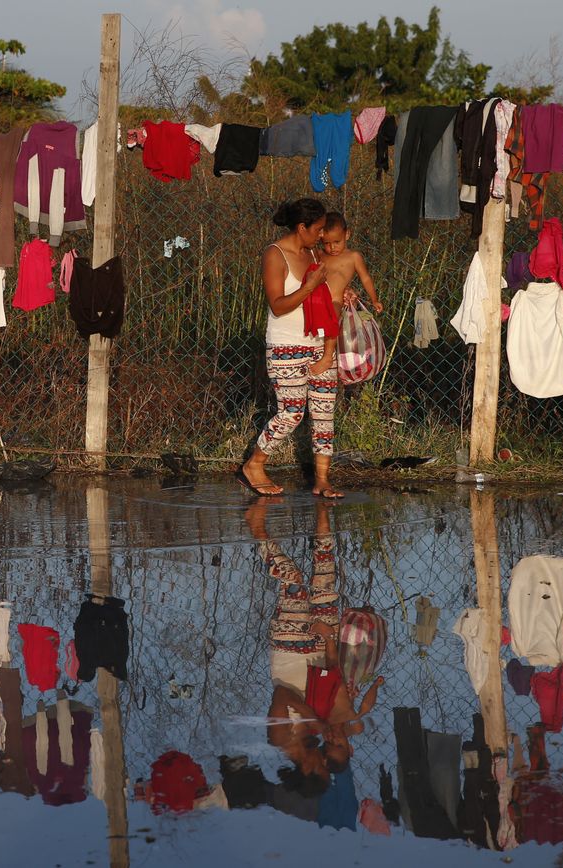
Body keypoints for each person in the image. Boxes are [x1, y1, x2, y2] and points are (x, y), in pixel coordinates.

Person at [246, 498, 383, 788]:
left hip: (290, 646)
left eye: (320, 769)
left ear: (307, 771)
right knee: (325, 575)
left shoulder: (280, 739)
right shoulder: (317, 736)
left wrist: (312, 716)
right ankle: (322, 509)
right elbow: (334, 690)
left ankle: (257, 529)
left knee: (293, 581)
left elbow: (282, 693)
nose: (323, 761)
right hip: (322, 646)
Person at [239, 198, 337, 497]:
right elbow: (278, 306)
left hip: (319, 344)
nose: (322, 235)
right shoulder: (275, 254)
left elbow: (323, 294)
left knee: (324, 413)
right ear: (301, 227)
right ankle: (255, 464)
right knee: (292, 412)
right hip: (285, 346)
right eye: (318, 229)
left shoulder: (312, 252)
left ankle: (322, 480)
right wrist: (308, 286)